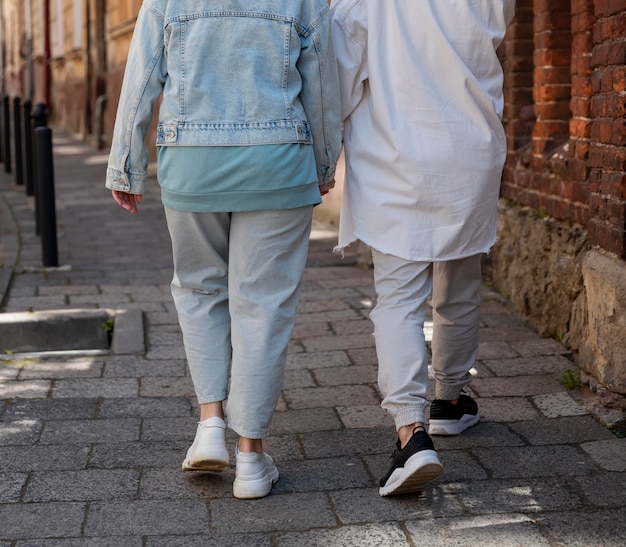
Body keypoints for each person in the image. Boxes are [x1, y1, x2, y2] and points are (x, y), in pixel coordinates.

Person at [106, 0, 341, 499]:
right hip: (278, 162)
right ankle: (251, 461)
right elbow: (322, 84)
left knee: (198, 290)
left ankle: (210, 424)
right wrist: (323, 165)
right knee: (264, 305)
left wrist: (125, 164)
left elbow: (143, 74)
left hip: (192, 163)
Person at [330, 0, 516, 496]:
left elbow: (342, 76)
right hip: (468, 147)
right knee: (459, 280)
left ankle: (412, 434)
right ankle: (450, 399)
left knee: (398, 299)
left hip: (395, 154)